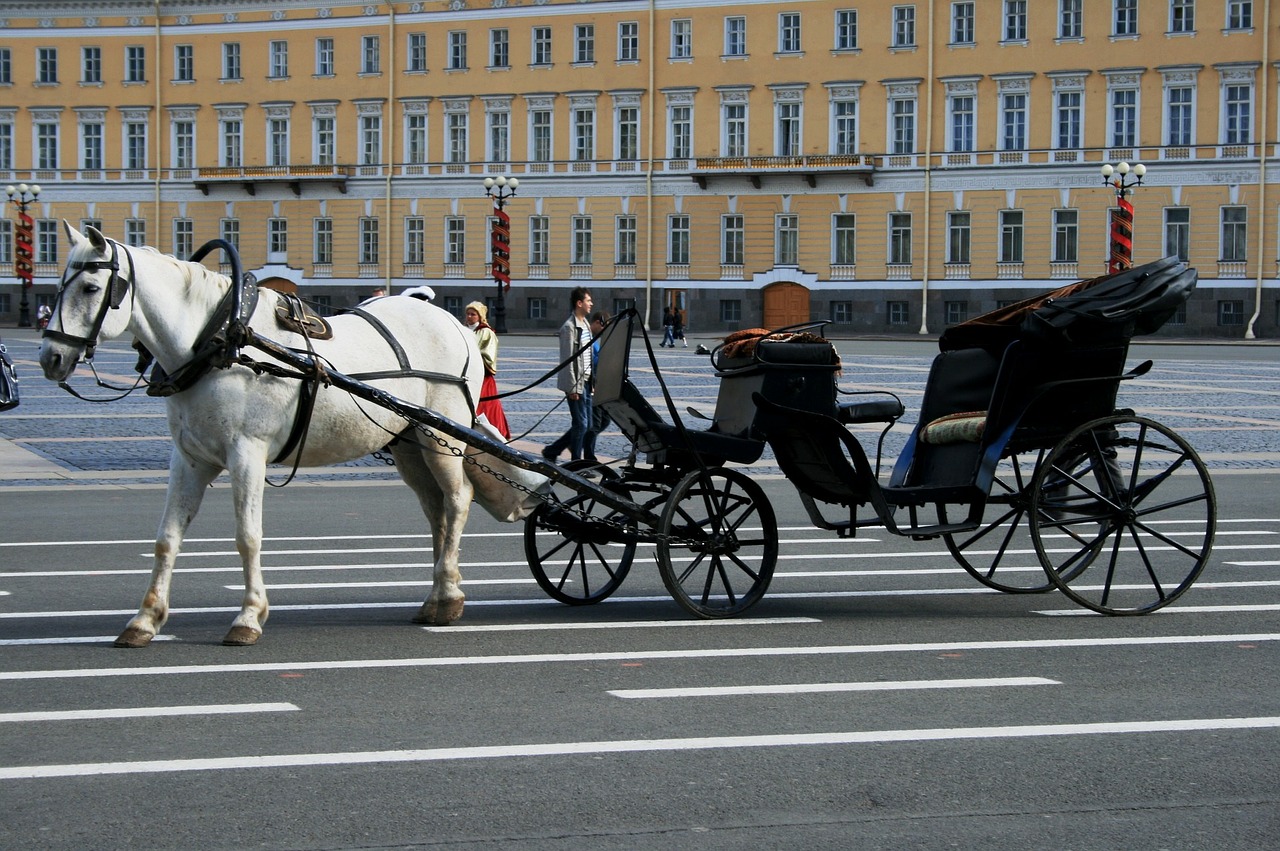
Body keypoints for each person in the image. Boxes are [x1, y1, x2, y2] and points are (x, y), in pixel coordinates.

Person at [542, 287, 593, 463]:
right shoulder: (570, 328)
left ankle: (552, 450)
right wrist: (572, 387)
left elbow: (588, 356)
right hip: (576, 383)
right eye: (588, 300)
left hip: (586, 381)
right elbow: (568, 360)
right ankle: (576, 463)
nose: (591, 304)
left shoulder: (585, 324)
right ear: (579, 303)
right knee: (582, 424)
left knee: (588, 424)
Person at [465, 301, 510, 440]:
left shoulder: (486, 332)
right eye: (468, 314)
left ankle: (493, 433)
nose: (469, 317)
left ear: (480, 316)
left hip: (483, 377)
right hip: (467, 375)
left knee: (485, 406)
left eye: (473, 314)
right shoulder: (463, 329)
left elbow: (488, 355)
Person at [582, 309, 612, 462]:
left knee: (604, 421)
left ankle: (572, 442)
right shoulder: (587, 338)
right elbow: (589, 363)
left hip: (600, 385)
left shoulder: (595, 340)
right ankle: (589, 458)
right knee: (593, 425)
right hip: (592, 387)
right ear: (597, 323)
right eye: (603, 327)